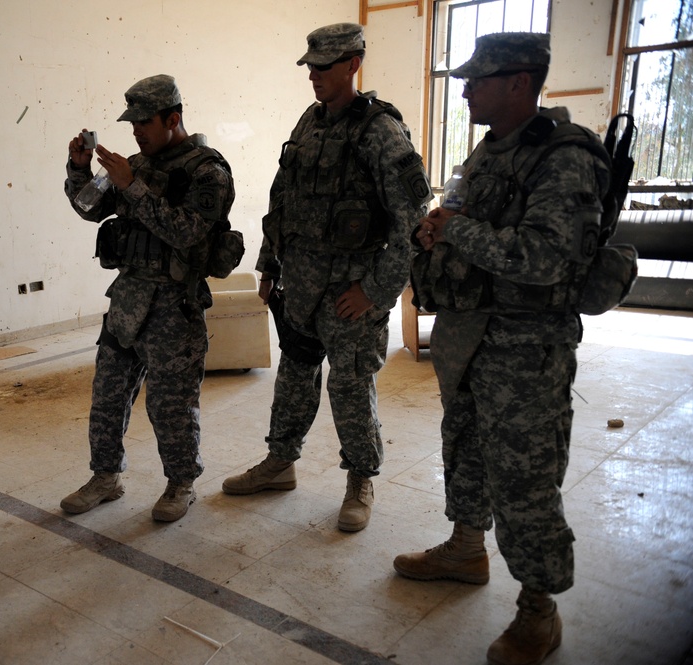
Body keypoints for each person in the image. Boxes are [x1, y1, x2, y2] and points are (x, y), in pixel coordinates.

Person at [394, 33, 611, 665]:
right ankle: (466, 548)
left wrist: (461, 231)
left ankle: (537, 609)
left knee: (525, 478)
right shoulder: (492, 150)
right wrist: (437, 227)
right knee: (464, 449)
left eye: (477, 80)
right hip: (470, 335)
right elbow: (467, 217)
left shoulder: (566, 157)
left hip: (526, 346)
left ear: (520, 83)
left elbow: (544, 258)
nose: (464, 89)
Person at [222, 23, 431, 532]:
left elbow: (412, 223)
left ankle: (361, 478)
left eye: (325, 66)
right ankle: (280, 463)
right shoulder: (308, 124)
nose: (314, 75)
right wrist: (270, 264)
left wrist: (376, 292)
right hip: (302, 287)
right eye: (310, 66)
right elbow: (282, 201)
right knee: (293, 380)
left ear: (353, 64)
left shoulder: (381, 131)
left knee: (350, 386)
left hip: (350, 292)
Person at [61, 74, 236, 522]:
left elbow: (186, 233)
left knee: (170, 404)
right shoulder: (133, 164)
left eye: (144, 122)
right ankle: (105, 477)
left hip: (174, 306)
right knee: (107, 395)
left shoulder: (208, 172)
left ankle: (181, 484)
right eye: (132, 122)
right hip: (127, 301)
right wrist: (79, 168)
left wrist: (132, 187)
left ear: (172, 118)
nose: (136, 131)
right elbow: (89, 206)